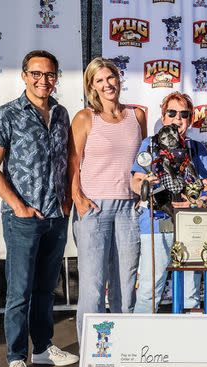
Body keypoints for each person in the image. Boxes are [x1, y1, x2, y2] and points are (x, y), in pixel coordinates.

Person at [0, 50, 79, 367]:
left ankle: (42, 347)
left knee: (44, 288)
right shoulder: (6, 115)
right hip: (22, 218)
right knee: (19, 292)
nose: (44, 80)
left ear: (56, 77)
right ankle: (14, 359)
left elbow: (67, 158)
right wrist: (18, 205)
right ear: (24, 75)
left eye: (50, 74)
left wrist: (67, 199)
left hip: (55, 215)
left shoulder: (61, 112)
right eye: (37, 73)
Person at [69, 58, 146, 339]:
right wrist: (77, 197)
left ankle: (123, 345)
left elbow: (143, 162)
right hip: (95, 208)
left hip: (128, 207)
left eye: (111, 77)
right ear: (92, 86)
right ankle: (92, 349)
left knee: (125, 282)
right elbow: (73, 161)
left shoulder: (136, 116)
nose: (107, 84)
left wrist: (140, 193)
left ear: (119, 78)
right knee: (93, 283)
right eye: (99, 80)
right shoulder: (85, 118)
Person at [131, 92, 207, 313]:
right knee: (150, 289)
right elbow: (135, 180)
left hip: (190, 223)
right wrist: (146, 186)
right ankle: (141, 342)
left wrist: (192, 197)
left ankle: (189, 343)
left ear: (190, 119)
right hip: (157, 223)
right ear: (163, 116)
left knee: (190, 292)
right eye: (172, 113)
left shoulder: (196, 148)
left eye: (184, 114)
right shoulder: (149, 145)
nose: (178, 119)